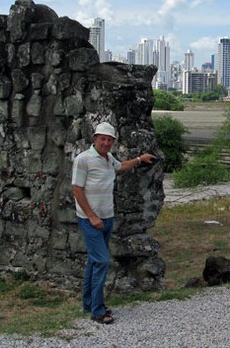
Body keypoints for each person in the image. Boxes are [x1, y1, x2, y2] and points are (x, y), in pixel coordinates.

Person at [71, 121, 156, 325]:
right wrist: (91, 216)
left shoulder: (108, 159)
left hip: (106, 217)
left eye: (110, 140)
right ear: (95, 139)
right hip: (90, 219)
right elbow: (76, 189)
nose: (106, 143)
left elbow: (120, 167)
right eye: (103, 139)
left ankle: (88, 304)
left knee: (94, 261)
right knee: (101, 261)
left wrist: (139, 159)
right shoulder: (83, 160)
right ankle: (98, 311)